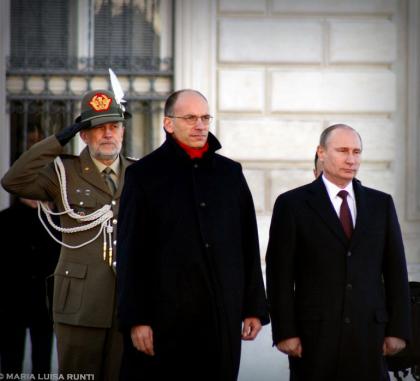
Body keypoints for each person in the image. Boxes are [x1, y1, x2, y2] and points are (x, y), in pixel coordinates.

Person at [116, 89, 269, 381]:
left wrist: (253, 307)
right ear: (168, 123)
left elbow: (248, 243)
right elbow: (130, 253)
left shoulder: (230, 173)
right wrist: (136, 319)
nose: (200, 125)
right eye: (190, 118)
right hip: (164, 322)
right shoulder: (144, 175)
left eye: (204, 117)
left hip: (220, 317)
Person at [1, 89, 134, 380]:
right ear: (84, 135)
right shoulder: (63, 172)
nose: (108, 134)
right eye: (98, 128)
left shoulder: (139, 173)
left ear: (123, 131)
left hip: (128, 303)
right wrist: (60, 139)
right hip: (80, 306)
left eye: (114, 126)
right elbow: (14, 180)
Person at [265, 124, 411, 381]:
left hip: (370, 335)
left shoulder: (381, 204)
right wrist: (285, 331)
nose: (351, 159)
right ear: (321, 152)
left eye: (356, 151)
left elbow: (396, 271)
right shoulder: (292, 204)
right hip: (314, 337)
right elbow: (280, 275)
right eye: (343, 150)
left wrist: (398, 329)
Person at [0, 197, 60, 376]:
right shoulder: (5, 219)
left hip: (45, 302)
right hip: (11, 302)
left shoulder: (53, 221)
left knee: (42, 365)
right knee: (10, 363)